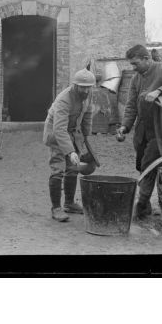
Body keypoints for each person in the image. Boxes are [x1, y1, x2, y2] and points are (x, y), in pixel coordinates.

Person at [117, 44, 162, 219]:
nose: (134, 68)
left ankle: (142, 204)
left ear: (147, 59)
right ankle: (147, 204)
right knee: (141, 164)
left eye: (136, 63)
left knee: (149, 164)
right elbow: (131, 105)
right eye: (132, 65)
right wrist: (125, 126)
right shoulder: (136, 79)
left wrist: (158, 91)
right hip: (143, 131)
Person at [43, 68, 97, 222]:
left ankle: (69, 203)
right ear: (75, 85)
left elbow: (87, 114)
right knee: (58, 170)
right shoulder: (64, 99)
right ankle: (56, 208)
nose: (86, 90)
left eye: (88, 87)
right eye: (82, 87)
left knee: (73, 169)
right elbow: (59, 129)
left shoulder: (88, 94)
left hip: (73, 132)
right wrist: (70, 151)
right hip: (56, 135)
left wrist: (86, 136)